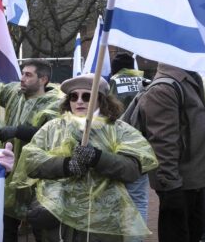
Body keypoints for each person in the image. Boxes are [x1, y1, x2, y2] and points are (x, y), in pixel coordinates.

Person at [12, 74, 158, 241]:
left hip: (102, 222)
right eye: (74, 96)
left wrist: (97, 158)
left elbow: (131, 169)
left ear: (101, 100)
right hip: (59, 225)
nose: (79, 101)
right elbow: (31, 161)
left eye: (87, 96)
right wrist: (67, 165)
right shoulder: (53, 128)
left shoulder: (120, 130)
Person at [0, 46, 62, 241]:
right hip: (11, 177)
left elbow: (50, 136)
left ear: (43, 79)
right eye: (22, 74)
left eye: (28, 75)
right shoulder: (14, 94)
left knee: (42, 233)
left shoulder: (57, 103)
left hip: (39, 181)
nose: (22, 79)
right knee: (6, 231)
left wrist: (18, 131)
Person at [137, 63, 205, 242]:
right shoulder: (165, 88)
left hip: (193, 181)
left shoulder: (188, 78)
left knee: (194, 234)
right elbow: (163, 143)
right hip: (179, 184)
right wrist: (171, 187)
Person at [107, 52, 151, 229]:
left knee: (116, 195)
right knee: (139, 198)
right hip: (142, 146)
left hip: (115, 144)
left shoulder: (111, 83)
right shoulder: (147, 83)